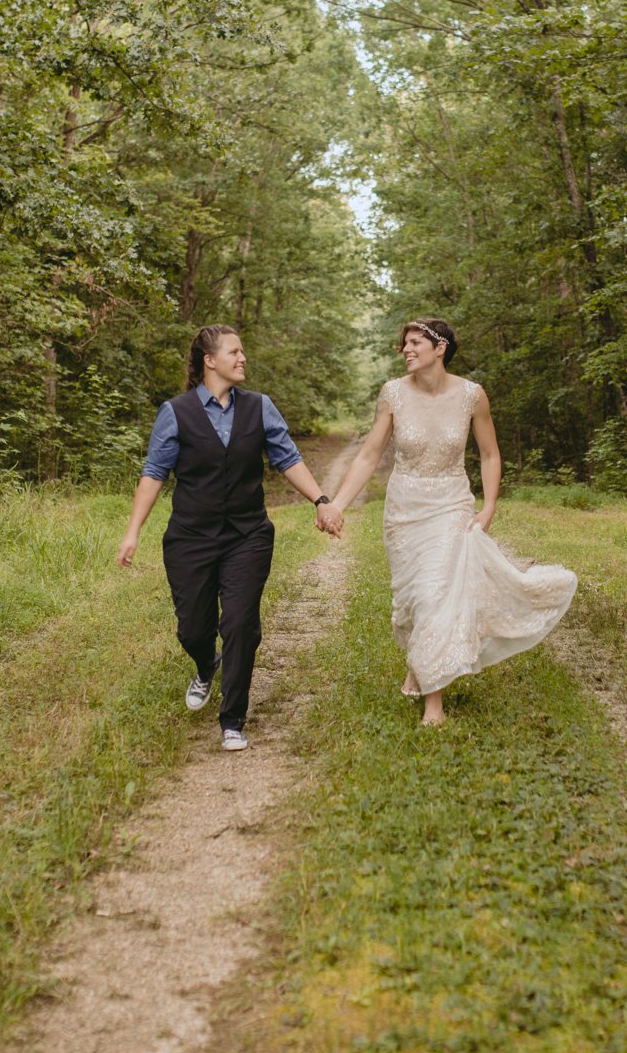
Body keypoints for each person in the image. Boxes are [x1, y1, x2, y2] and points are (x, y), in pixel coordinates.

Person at [323, 319, 575, 728]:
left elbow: (490, 454)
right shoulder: (393, 395)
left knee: (435, 594)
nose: (406, 349)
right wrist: (336, 504)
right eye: (404, 343)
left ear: (440, 348)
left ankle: (433, 703)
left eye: (415, 342)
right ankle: (423, 662)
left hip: (451, 503)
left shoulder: (472, 396)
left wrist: (489, 505)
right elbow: (369, 456)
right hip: (404, 510)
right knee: (412, 602)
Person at [118, 325, 342, 752]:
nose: (243, 359)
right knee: (193, 629)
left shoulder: (260, 407)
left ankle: (233, 719)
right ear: (210, 360)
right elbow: (154, 474)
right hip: (190, 538)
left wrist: (321, 500)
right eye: (234, 352)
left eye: (243, 352)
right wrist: (132, 532)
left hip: (247, 535)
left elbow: (287, 458)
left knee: (240, 622)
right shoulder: (176, 412)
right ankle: (206, 666)